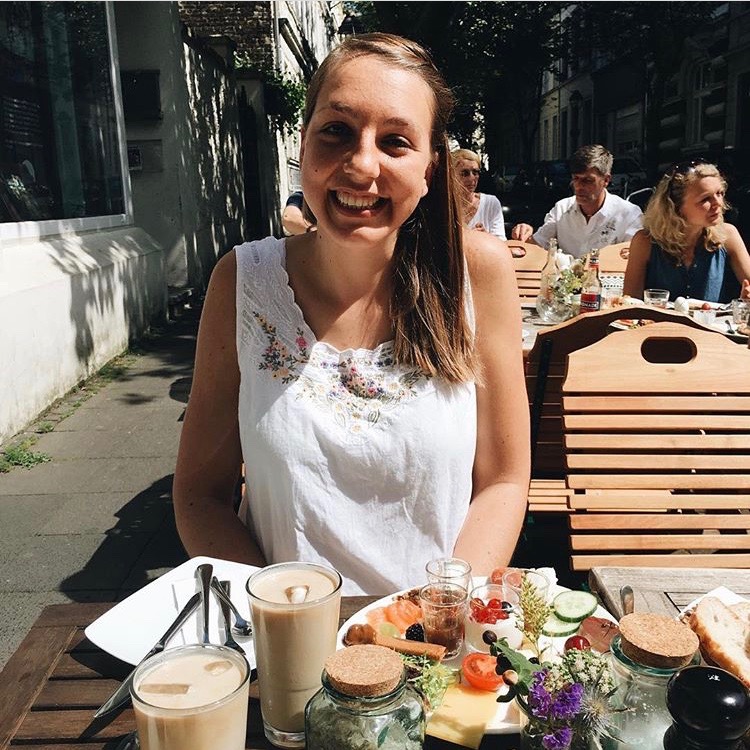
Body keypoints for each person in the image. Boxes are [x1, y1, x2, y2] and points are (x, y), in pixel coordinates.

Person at [172, 33, 530, 596]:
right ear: (303, 144)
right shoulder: (243, 281)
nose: (362, 165)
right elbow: (200, 496)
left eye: (395, 142)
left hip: (434, 632)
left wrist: (439, 609)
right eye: (337, 131)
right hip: (284, 633)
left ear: (430, 169)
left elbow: (503, 481)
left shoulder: (477, 273)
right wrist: (280, 610)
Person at [623, 160, 750, 303]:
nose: (718, 203)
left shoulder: (728, 235)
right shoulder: (645, 242)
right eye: (705, 199)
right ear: (675, 206)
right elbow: (630, 303)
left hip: (711, 318)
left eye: (720, 193)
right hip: (657, 318)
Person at [511, 145, 643, 258]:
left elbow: (633, 259)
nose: (579, 186)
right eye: (575, 178)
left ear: (606, 180)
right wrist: (525, 234)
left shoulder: (629, 214)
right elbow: (537, 246)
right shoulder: (562, 209)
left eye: (588, 180)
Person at [451, 148, 507, 239]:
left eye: (475, 172)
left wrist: (486, 237)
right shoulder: (446, 206)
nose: (472, 178)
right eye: (465, 173)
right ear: (452, 175)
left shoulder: (491, 203)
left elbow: (502, 242)